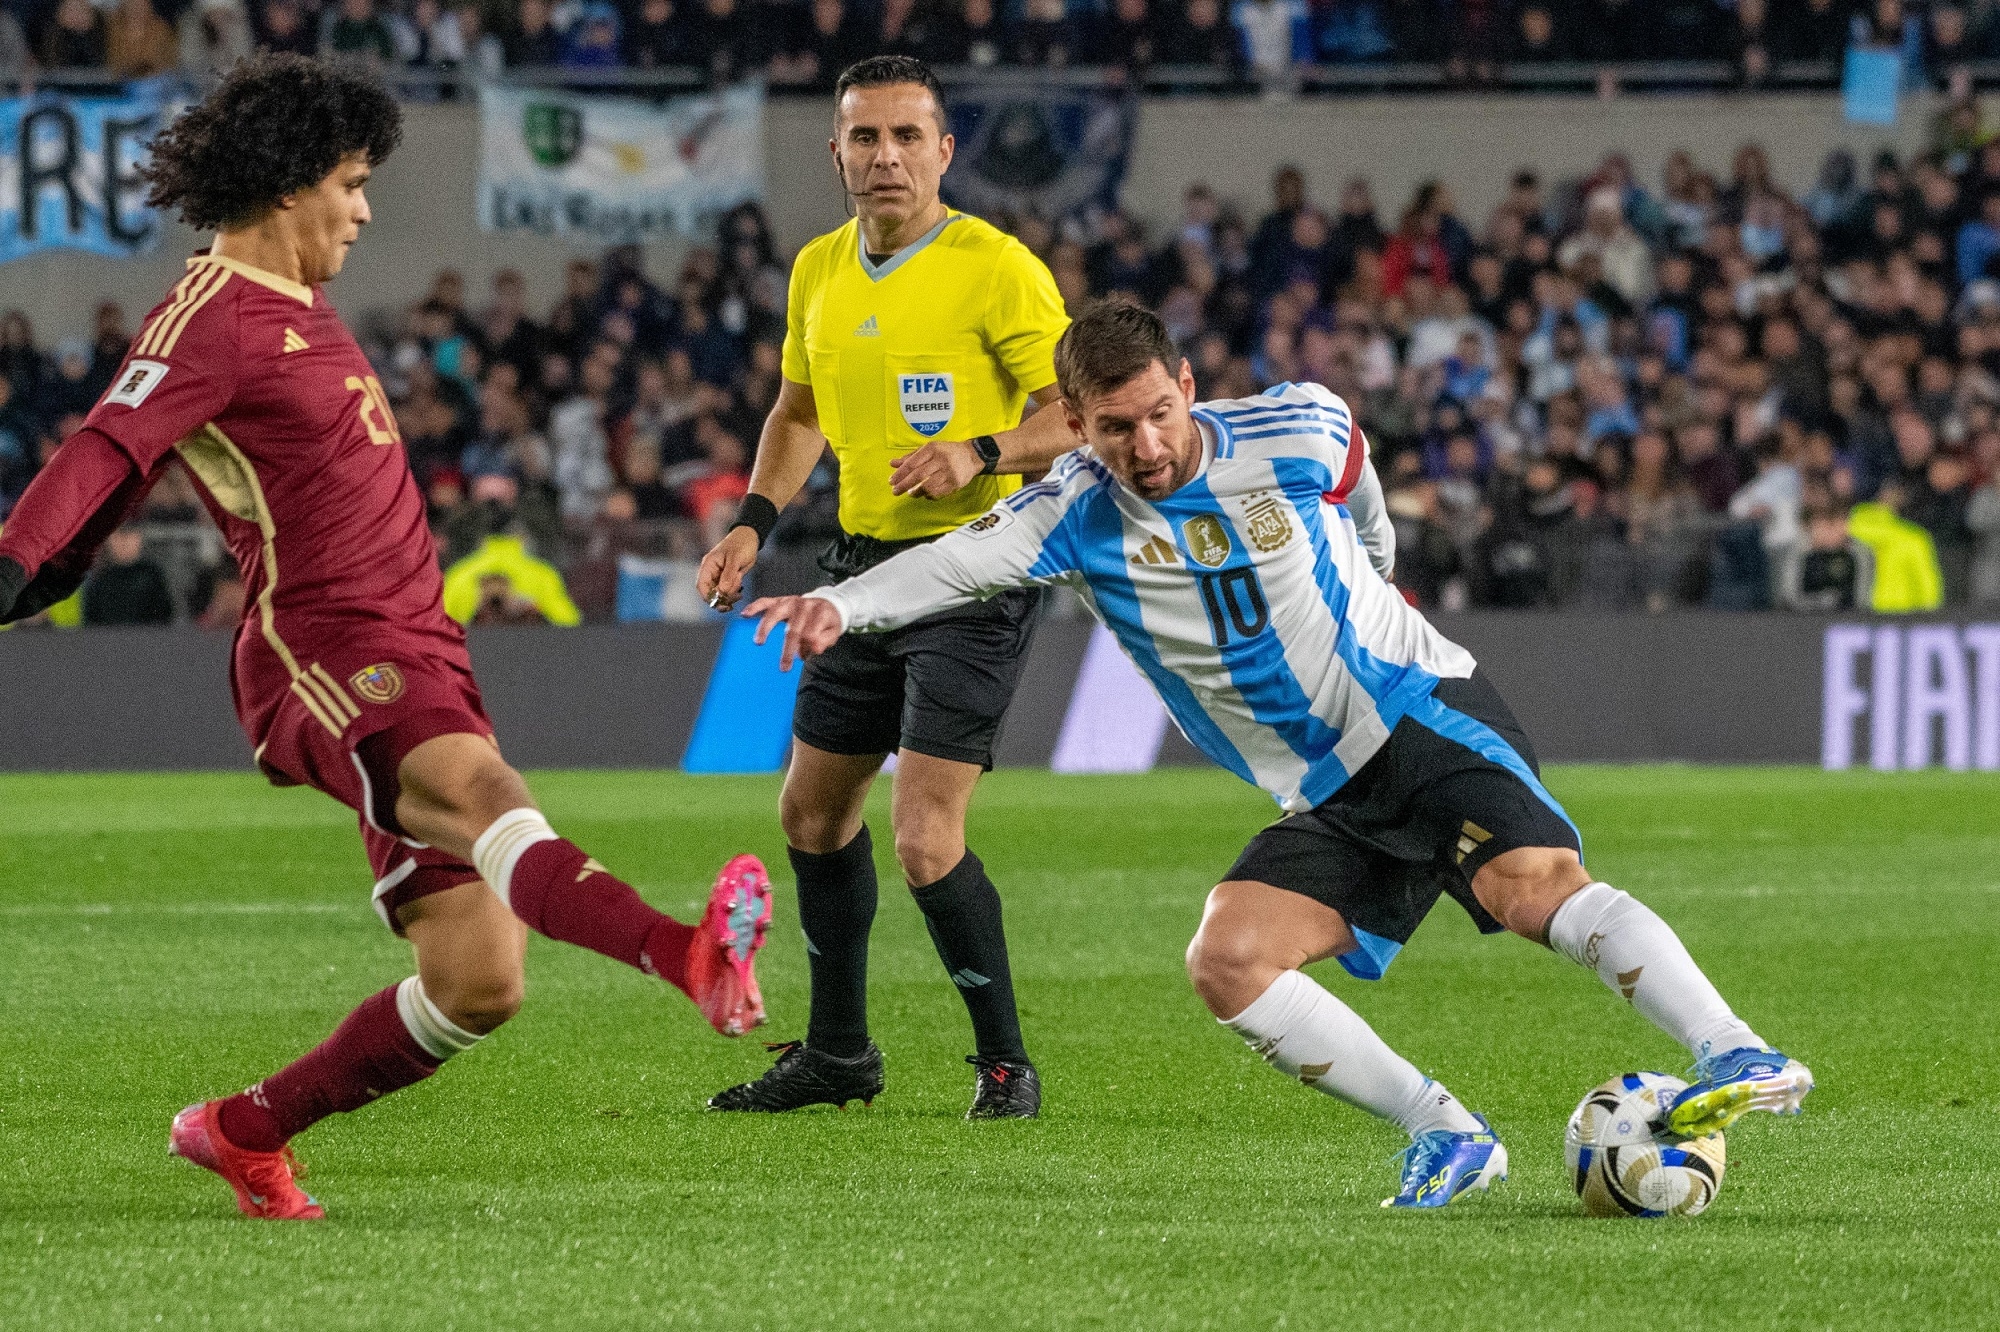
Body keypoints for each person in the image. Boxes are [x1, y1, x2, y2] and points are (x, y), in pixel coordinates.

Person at [741, 302, 1816, 1207]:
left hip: (1407, 706)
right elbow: (955, 563)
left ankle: (1729, 1049)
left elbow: (1358, 481)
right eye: (1114, 429)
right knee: (1227, 958)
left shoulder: (1293, 426)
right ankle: (1446, 1134)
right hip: (1323, 786)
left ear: (1188, 383)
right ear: (1071, 422)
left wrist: (1379, 570)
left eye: (1159, 413)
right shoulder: (1068, 512)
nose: (1146, 447)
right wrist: (838, 603)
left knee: (1530, 885)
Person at [0, 55, 772, 1222]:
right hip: (322, 651)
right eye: (352, 183)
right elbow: (106, 449)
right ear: (287, 181)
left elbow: (137, 462)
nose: (364, 209)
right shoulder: (208, 314)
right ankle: (688, 956)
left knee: (478, 981)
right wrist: (19, 561)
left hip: (417, 642)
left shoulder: (292, 310)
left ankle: (242, 1131)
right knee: (484, 791)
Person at [697, 55, 1076, 1120]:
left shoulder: (997, 268)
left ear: (944, 152)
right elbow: (795, 415)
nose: (886, 156)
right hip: (858, 573)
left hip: (974, 570)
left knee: (922, 836)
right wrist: (748, 524)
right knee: (811, 817)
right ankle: (837, 1054)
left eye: (908, 136)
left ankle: (1005, 1062)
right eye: (865, 138)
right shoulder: (818, 267)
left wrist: (982, 450)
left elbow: (1076, 416)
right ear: (836, 154)